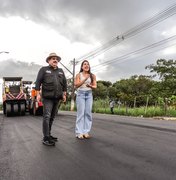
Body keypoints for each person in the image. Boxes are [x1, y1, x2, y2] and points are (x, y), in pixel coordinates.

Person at [35, 52, 67, 146]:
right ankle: (45, 138)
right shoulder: (43, 70)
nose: (55, 60)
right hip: (47, 97)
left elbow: (64, 84)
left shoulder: (61, 71)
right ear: (48, 60)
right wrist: (38, 95)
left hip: (57, 98)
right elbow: (38, 82)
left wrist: (64, 94)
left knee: (52, 117)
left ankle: (49, 134)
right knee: (47, 116)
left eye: (56, 58)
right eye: (53, 58)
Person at [74, 60, 97, 139]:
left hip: (89, 95)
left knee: (88, 113)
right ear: (82, 67)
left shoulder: (92, 75)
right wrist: (84, 79)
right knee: (81, 114)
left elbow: (95, 86)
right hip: (80, 94)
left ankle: (85, 132)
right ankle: (79, 133)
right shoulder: (78, 75)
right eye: (84, 64)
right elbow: (76, 85)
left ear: (89, 66)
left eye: (88, 64)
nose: (86, 65)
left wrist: (90, 86)